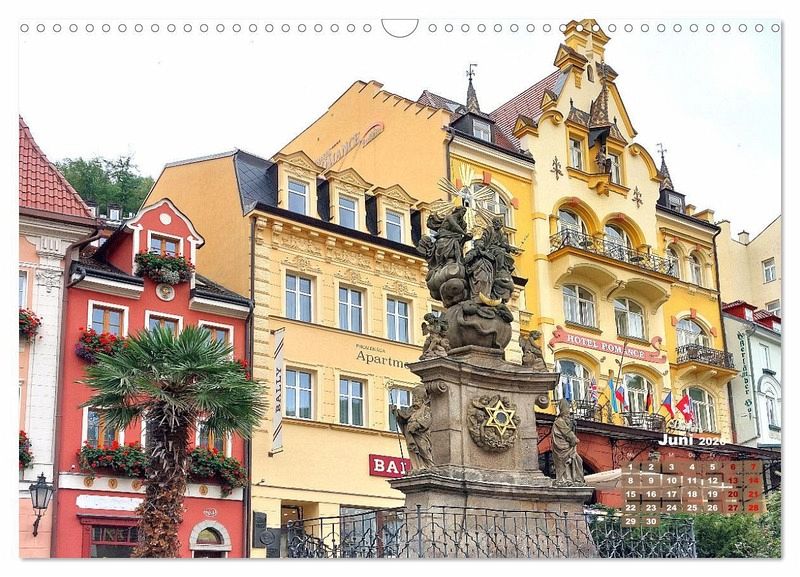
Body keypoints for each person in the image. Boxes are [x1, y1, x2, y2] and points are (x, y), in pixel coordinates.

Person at [551, 399, 585, 486]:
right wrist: (574, 439)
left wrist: (572, 425)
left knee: (577, 460)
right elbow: (567, 432)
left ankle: (574, 479)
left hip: (568, 447)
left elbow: (569, 430)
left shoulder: (565, 421)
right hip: (562, 448)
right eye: (567, 409)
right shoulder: (559, 421)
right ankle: (567, 480)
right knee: (567, 463)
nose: (568, 412)